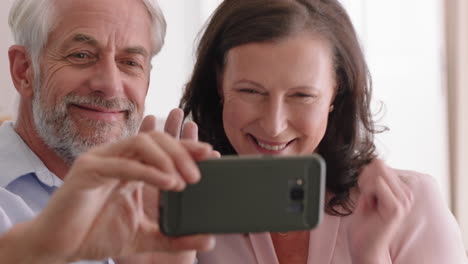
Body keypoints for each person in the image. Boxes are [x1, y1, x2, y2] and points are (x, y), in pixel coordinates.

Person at [178, 0, 468, 263]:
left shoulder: (411, 206)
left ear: (335, 93)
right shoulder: (181, 206)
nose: (274, 125)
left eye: (302, 95)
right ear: (219, 83)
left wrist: (371, 256)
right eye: (250, 91)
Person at [0, 0, 217, 263]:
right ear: (23, 71)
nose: (111, 86)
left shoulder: (155, 206)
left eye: (130, 62)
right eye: (81, 55)